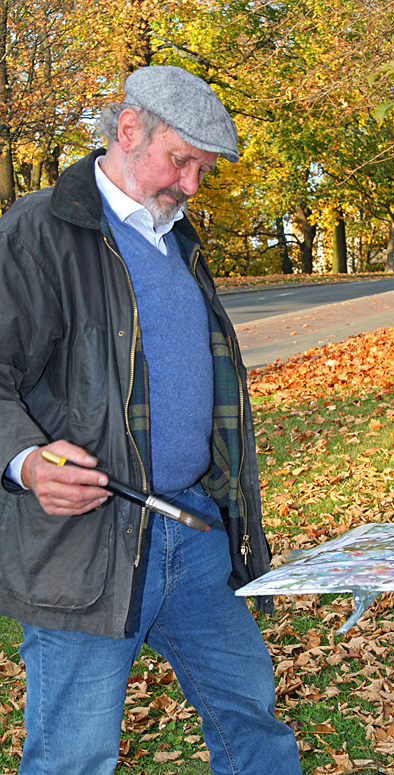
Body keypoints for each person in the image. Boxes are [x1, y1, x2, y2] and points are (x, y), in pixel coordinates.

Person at [0, 65, 302, 775]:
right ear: (128, 131)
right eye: (182, 160)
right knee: (74, 755)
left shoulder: (176, 236)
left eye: (203, 168)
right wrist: (27, 461)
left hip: (191, 530)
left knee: (251, 718)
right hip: (85, 546)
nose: (192, 184)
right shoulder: (37, 231)